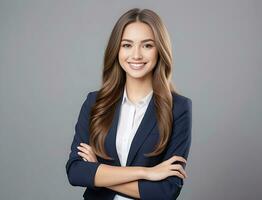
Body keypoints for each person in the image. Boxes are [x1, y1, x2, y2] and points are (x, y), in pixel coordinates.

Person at [66, 8, 192, 200]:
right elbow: (76, 171)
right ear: (116, 49)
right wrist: (146, 172)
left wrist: (99, 174)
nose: (136, 55)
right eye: (127, 45)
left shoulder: (179, 108)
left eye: (147, 45)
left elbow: (166, 192)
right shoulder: (95, 103)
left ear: (160, 50)